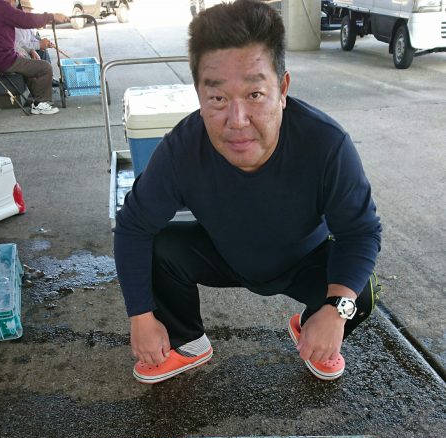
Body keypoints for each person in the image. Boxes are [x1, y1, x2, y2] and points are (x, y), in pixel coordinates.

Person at [114, 0, 382, 385]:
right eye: (218, 99)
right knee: (159, 245)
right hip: (225, 254)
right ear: (199, 94)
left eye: (255, 94)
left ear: (282, 89)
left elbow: (361, 233)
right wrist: (140, 317)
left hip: (303, 259)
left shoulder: (327, 144)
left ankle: (314, 326)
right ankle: (186, 342)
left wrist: (335, 311)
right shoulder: (181, 150)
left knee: (360, 292)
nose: (237, 121)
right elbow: (132, 227)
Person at [0, 0, 68, 114]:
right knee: (45, 67)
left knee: (31, 64)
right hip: (3, 60)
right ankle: (41, 103)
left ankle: (38, 98)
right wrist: (51, 16)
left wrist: (31, 50)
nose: (13, 5)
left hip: (3, 57)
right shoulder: (1, 6)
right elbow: (25, 20)